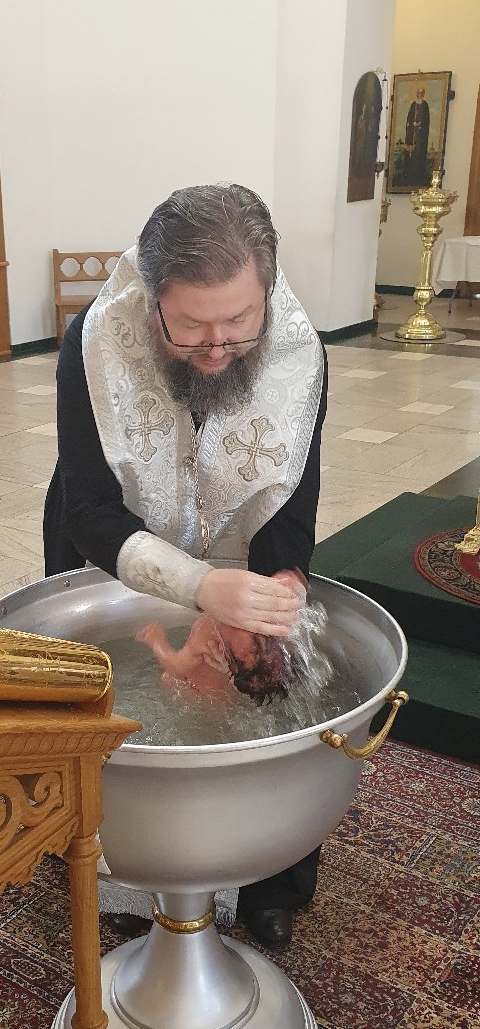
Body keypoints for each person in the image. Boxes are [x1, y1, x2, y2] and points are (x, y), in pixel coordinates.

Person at [43, 182, 328, 950]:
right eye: (192, 325)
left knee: (272, 684)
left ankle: (274, 877)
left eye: (239, 320)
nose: (217, 346)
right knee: (106, 713)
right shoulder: (95, 342)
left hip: (240, 539)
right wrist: (197, 586)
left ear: (266, 290)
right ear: (152, 298)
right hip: (117, 542)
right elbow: (88, 511)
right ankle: (119, 863)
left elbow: (291, 492)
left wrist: (279, 587)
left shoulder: (298, 348)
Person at [137, 566, 305, 703]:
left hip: (197, 695)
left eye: (255, 638)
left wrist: (157, 643)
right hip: (223, 698)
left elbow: (178, 667)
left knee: (168, 678)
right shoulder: (237, 629)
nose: (256, 624)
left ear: (230, 652)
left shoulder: (207, 636)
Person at [403, 87, 430, 186]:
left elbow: (426, 120)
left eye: (421, 93)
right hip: (412, 133)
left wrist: (420, 124)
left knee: (419, 153)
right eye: (418, 93)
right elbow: (409, 118)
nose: (419, 95)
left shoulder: (425, 105)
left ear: (423, 94)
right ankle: (409, 174)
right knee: (411, 153)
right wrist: (412, 124)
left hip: (421, 135)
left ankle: (418, 174)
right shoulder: (413, 105)